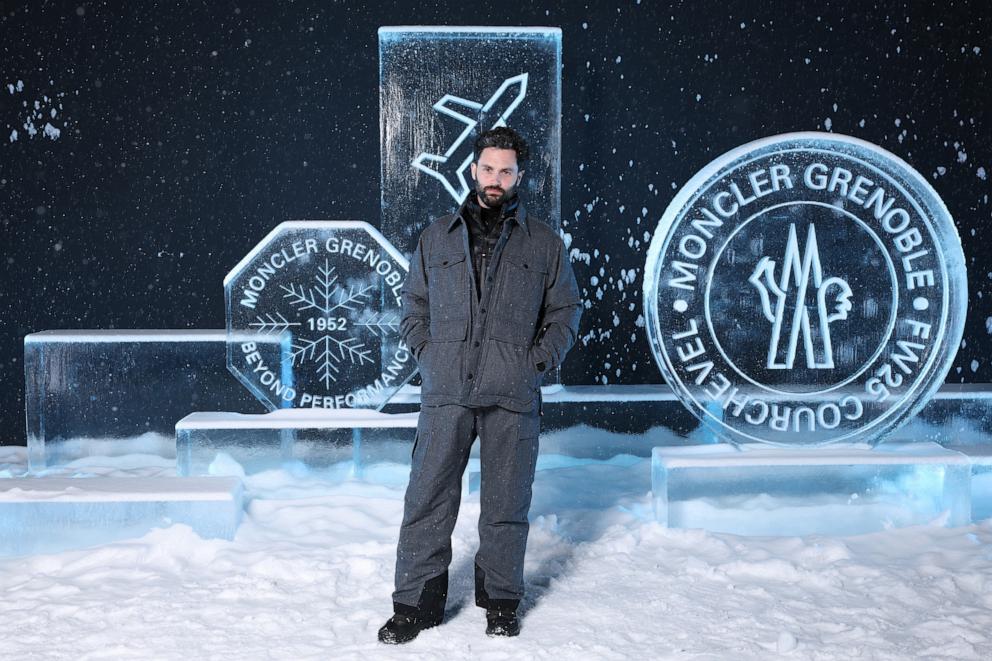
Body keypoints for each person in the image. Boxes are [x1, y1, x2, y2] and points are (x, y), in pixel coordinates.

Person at [378, 126, 582, 643]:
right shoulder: (435, 236)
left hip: (512, 393)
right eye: (488, 169)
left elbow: (564, 312)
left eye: (506, 171)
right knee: (427, 497)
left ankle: (500, 603)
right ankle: (415, 607)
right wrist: (430, 356)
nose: (496, 179)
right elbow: (413, 310)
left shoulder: (543, 243)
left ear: (519, 176)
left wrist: (535, 363)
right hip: (447, 390)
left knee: (506, 503)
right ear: (473, 170)